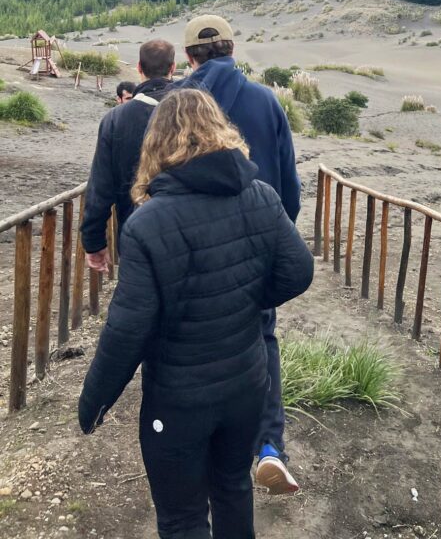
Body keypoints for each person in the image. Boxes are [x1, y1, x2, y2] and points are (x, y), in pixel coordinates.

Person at [78, 89, 314, 539]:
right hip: (247, 385)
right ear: (220, 130)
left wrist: (94, 403)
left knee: (182, 517)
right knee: (232, 488)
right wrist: (247, 298)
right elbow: (299, 272)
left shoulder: (146, 224)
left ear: (157, 143)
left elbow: (127, 330)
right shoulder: (261, 196)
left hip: (178, 399)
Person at [178, 14, 302, 494]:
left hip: (187, 249)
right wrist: (277, 236)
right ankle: (268, 446)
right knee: (261, 339)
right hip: (257, 246)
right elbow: (289, 187)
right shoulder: (266, 101)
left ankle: (200, 447)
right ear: (232, 49)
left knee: (188, 342)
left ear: (189, 56)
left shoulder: (175, 104)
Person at [81, 40, 175, 272]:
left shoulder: (116, 119)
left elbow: (101, 185)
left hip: (135, 234)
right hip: (188, 231)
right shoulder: (193, 111)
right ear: (173, 68)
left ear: (139, 68)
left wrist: (93, 241)